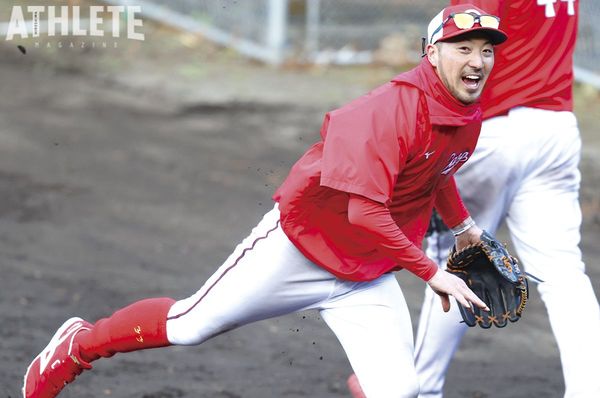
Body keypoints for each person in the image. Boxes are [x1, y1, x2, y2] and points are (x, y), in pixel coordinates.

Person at [22, 4, 507, 398]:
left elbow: (436, 169)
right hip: (301, 248)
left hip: (367, 272)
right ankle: (78, 346)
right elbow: (364, 211)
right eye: (462, 47)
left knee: (401, 390)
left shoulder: (465, 110)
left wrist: (463, 226)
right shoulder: (386, 112)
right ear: (431, 53)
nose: (477, 61)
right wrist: (431, 271)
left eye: (485, 50)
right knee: (191, 324)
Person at [411, 1, 600, 398]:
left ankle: (414, 389)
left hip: (492, 127)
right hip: (556, 126)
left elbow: (455, 45)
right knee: (565, 273)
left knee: (455, 260)